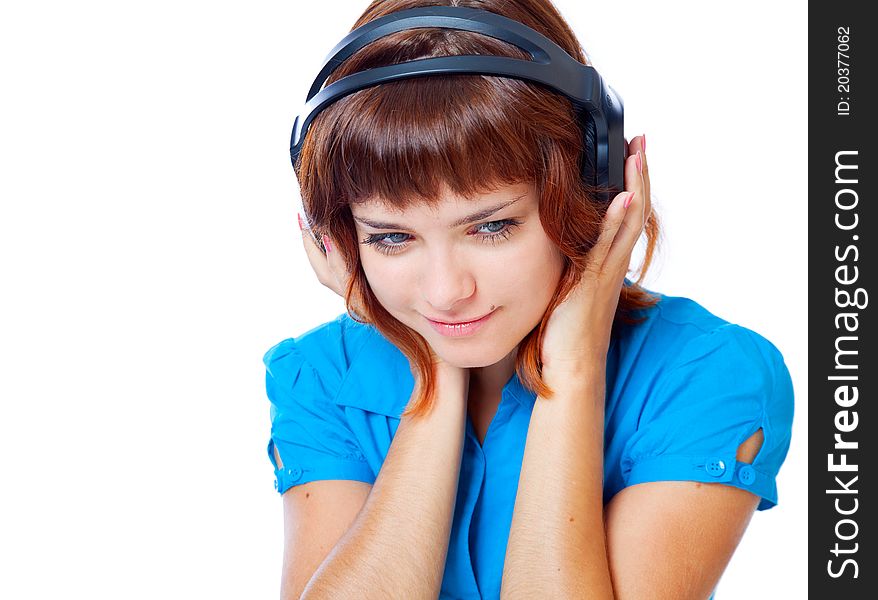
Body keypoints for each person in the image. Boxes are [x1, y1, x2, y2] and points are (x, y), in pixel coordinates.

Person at [263, 1, 795, 598]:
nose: (446, 292)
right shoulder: (319, 374)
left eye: (491, 227)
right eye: (392, 238)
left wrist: (572, 367)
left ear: (593, 187)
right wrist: (432, 367)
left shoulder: (706, 375)